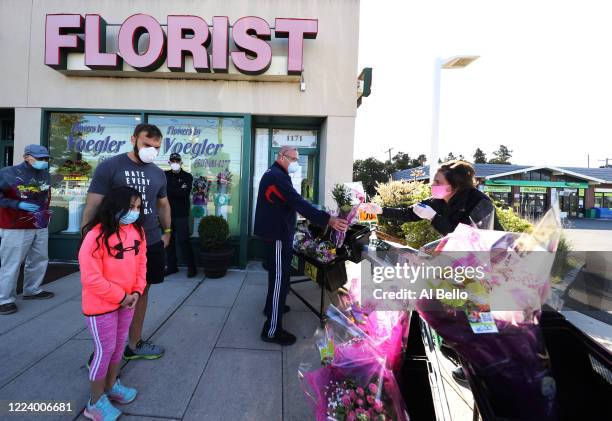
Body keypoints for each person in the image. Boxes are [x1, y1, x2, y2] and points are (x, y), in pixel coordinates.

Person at [381, 160, 502, 385]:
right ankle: (465, 356)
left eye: (437, 181)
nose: (432, 185)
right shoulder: (440, 200)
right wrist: (379, 210)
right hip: (460, 266)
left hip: (486, 265)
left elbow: (468, 238)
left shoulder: (480, 203)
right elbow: (410, 213)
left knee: (478, 315)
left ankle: (482, 368)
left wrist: (434, 218)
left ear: (454, 185)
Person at [82, 124, 170, 361]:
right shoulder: (111, 166)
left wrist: (167, 231)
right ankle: (107, 347)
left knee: (141, 291)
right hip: (114, 244)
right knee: (112, 293)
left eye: (156, 147)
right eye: (146, 144)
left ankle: (133, 343)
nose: (151, 150)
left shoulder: (158, 173)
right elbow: (93, 204)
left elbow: (163, 204)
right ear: (133, 139)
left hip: (149, 241)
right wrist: (86, 237)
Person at [254, 146, 349, 346]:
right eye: (293, 159)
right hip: (277, 235)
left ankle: (271, 309)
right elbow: (296, 201)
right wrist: (328, 220)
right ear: (281, 156)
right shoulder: (277, 176)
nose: (296, 163)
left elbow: (291, 202)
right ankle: (272, 330)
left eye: (297, 159)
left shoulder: (277, 174)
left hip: (278, 234)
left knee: (279, 276)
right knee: (280, 279)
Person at [79, 186, 146, 421]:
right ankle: (95, 403)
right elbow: (91, 277)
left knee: (118, 347)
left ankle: (111, 386)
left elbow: (141, 264)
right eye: (130, 207)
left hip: (128, 302)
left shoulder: (137, 232)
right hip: (101, 306)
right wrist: (121, 296)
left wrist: (137, 291)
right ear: (114, 206)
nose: (134, 212)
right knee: (104, 350)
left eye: (138, 207)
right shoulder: (95, 235)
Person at [0, 145, 54, 315]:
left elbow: (46, 195)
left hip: (39, 223)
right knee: (12, 263)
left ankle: (32, 290)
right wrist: (17, 204)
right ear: (26, 157)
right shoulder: (7, 173)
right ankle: (4, 299)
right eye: (39, 158)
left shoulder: (45, 174)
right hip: (15, 225)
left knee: (39, 258)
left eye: (45, 158)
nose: (43, 161)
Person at [164, 153, 196, 278]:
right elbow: (163, 191)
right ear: (169, 162)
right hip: (167, 214)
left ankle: (191, 267)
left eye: (177, 160)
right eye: (173, 160)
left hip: (181, 214)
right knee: (169, 242)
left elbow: (184, 193)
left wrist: (169, 189)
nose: (175, 162)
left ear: (181, 162)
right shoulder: (164, 175)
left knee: (184, 241)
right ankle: (172, 266)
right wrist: (177, 188)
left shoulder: (187, 176)